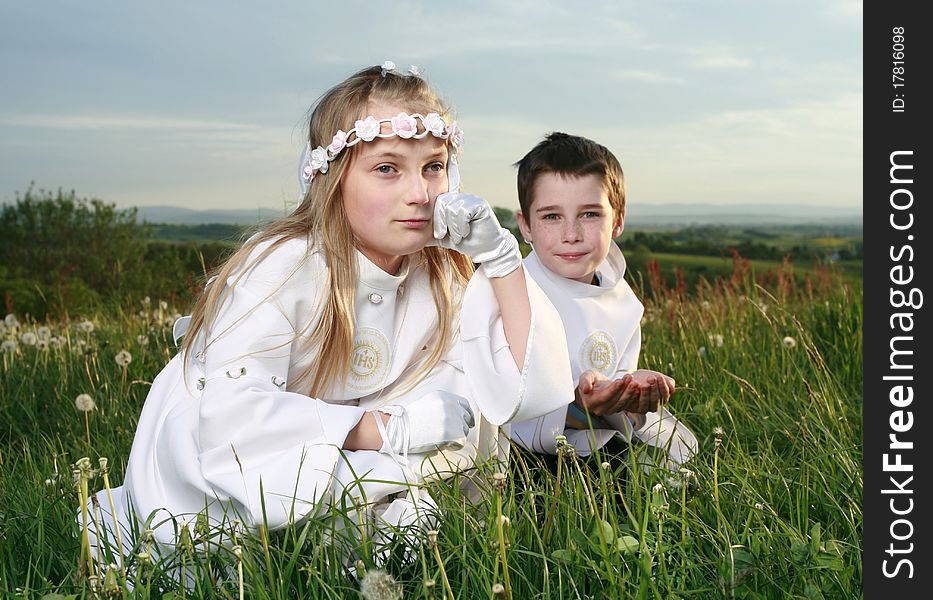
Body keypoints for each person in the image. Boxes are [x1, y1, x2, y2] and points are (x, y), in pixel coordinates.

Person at [86, 63, 574, 565]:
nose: (421, 193)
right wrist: (387, 428)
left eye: (434, 166)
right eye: (387, 168)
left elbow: (526, 386)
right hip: (250, 450)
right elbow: (232, 414)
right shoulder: (286, 265)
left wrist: (500, 260)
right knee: (253, 535)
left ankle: (380, 528)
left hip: (359, 449)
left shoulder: (443, 271)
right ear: (335, 179)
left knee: (444, 450)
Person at [508, 132, 698, 472]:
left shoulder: (622, 301)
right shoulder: (512, 293)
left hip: (594, 432)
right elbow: (506, 399)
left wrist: (629, 393)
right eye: (551, 216)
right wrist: (578, 405)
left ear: (619, 219)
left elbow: (616, 381)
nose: (571, 234)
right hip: (520, 449)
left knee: (667, 462)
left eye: (590, 214)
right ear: (526, 226)